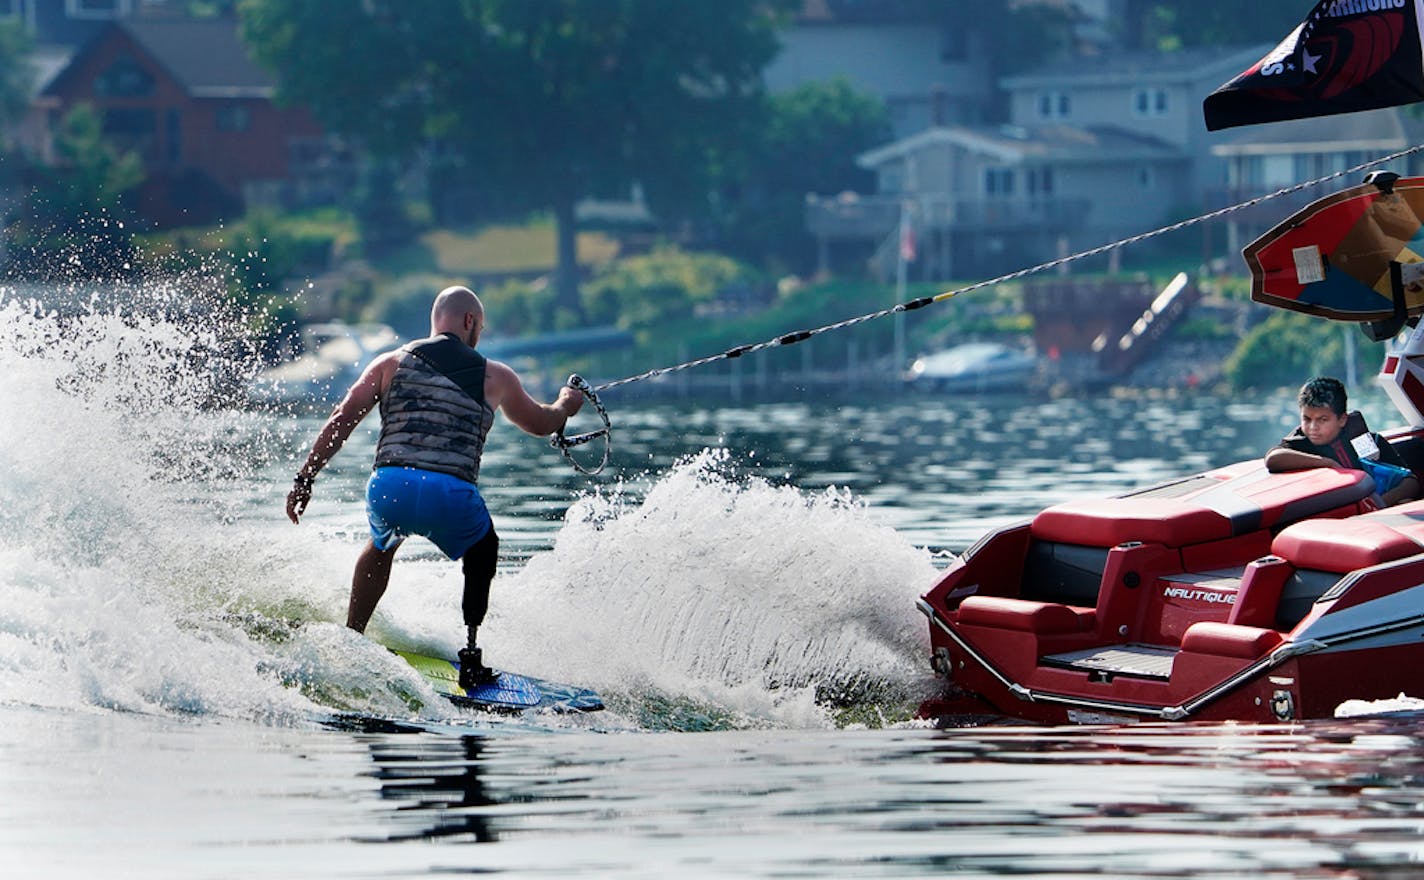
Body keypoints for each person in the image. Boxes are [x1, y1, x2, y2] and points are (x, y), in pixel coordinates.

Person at [285, 285, 583, 688]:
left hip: (390, 487)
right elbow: (541, 423)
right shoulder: (494, 375)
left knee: (381, 544)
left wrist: (306, 478)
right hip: (450, 494)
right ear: (469, 322)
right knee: (484, 547)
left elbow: (343, 417)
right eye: (479, 327)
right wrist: (567, 403)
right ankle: (471, 654)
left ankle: (352, 634)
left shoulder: (389, 362)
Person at [1265, 376, 1419, 508]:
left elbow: (1411, 482)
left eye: (1323, 419)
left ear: (1342, 419)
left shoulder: (1367, 440)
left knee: (1405, 501)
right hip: (1336, 519)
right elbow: (1273, 458)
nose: (1313, 427)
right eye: (1307, 419)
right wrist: (1327, 462)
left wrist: (1378, 504)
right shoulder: (1301, 443)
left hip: (1375, 510)